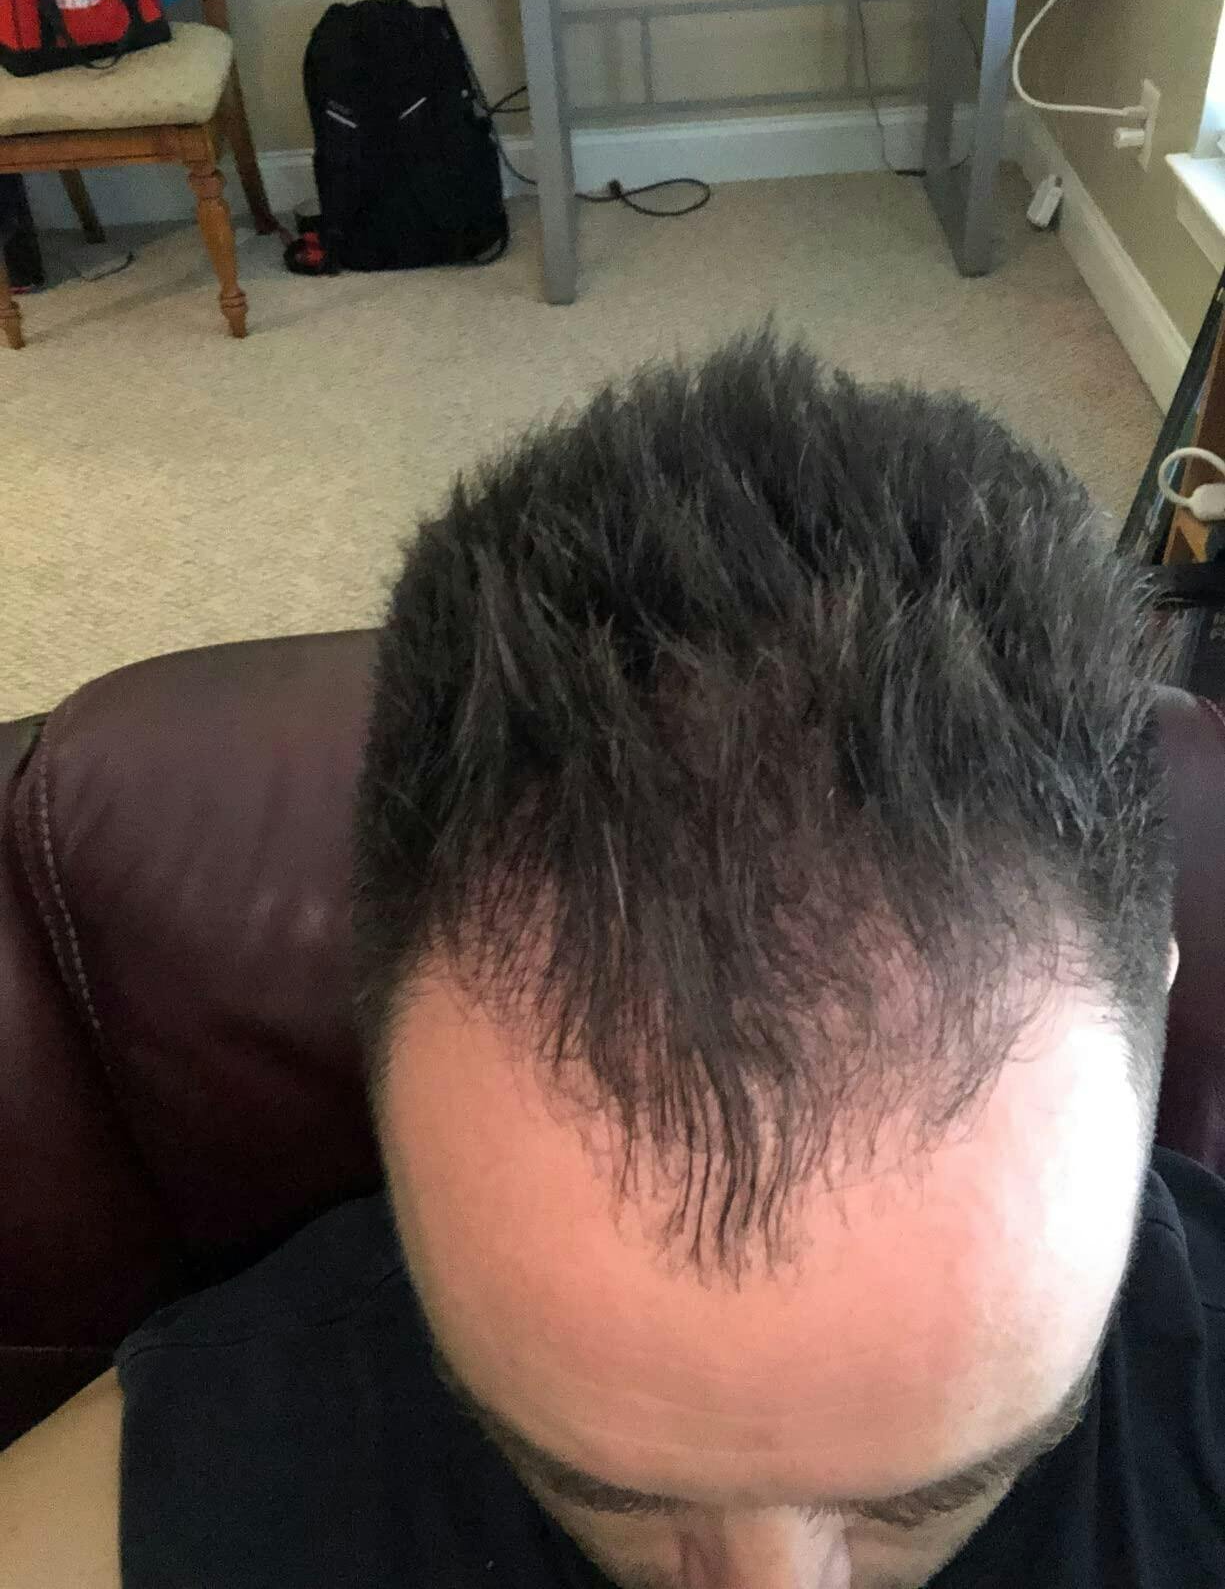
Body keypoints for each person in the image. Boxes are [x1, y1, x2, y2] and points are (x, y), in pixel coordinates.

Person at [2, 332, 1222, 1589]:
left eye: (927, 1498)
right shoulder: (217, 1458)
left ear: (1156, 1012)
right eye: (600, 1490)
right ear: (376, 1049)